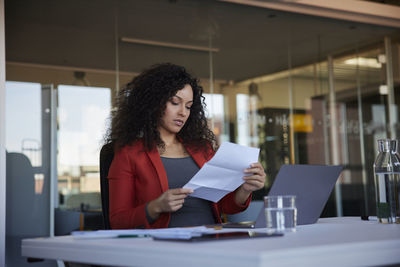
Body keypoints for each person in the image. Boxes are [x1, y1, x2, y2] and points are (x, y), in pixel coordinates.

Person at [105, 63, 266, 229]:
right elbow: (117, 221)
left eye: (188, 106)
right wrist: (156, 207)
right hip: (164, 248)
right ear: (153, 103)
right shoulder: (129, 153)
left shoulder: (202, 149)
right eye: (175, 102)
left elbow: (226, 206)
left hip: (212, 240)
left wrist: (246, 189)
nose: (183, 112)